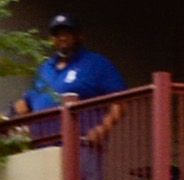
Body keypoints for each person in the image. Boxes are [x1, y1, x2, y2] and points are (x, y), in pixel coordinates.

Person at [11, 14, 125, 147]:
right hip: (43, 149)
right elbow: (28, 102)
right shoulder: (45, 68)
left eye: (68, 33)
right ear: (52, 39)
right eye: (57, 34)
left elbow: (120, 102)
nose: (63, 38)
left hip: (81, 147)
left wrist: (103, 129)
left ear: (79, 35)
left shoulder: (96, 64)